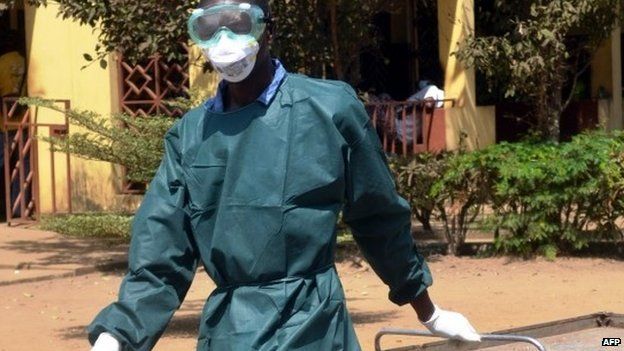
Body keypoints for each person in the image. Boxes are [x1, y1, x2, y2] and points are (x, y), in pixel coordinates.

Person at [89, 1, 480, 350]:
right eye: (210, 28)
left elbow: (378, 216)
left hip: (313, 324)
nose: (225, 41)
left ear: (268, 30)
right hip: (232, 330)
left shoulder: (329, 109)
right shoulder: (190, 136)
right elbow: (161, 249)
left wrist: (427, 311)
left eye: (239, 24)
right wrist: (119, 334)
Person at [0, 30, 27, 221]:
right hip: (24, 123)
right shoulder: (26, 62)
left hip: (2, 125)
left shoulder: (1, 63)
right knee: (22, 167)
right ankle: (19, 208)